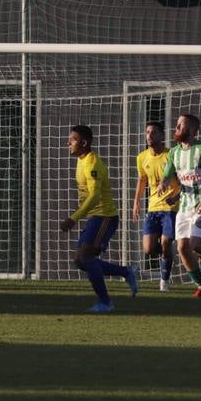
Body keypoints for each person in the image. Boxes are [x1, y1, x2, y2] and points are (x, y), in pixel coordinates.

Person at [58, 125, 138, 313]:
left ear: (84, 143)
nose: (68, 142)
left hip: (105, 217)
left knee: (85, 257)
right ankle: (125, 272)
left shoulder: (92, 163)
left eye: (73, 139)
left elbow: (94, 196)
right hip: (96, 217)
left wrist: (74, 218)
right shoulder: (81, 159)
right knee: (80, 260)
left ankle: (105, 302)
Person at [157, 113, 201, 298]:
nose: (177, 128)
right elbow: (169, 176)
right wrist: (164, 184)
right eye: (177, 124)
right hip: (184, 208)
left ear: (193, 130)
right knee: (181, 247)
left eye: (181, 125)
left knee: (194, 243)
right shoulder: (174, 153)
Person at [131, 120, 177, 292]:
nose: (149, 136)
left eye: (153, 132)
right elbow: (142, 180)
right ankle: (166, 254)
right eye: (147, 132)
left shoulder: (171, 155)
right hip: (153, 207)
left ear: (161, 136)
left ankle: (164, 281)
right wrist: (136, 202)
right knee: (149, 248)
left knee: (165, 241)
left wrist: (176, 196)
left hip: (170, 206)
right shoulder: (142, 157)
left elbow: (181, 179)